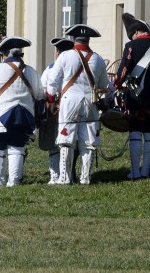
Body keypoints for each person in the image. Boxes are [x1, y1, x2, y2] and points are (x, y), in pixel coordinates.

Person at [45, 24, 108, 185]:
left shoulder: (65, 56)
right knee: (88, 141)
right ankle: (85, 177)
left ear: (74, 39)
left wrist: (51, 100)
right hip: (90, 102)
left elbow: (53, 81)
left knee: (66, 139)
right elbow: (103, 84)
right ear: (88, 40)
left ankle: (65, 178)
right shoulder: (98, 59)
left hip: (69, 102)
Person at [0, 36, 43, 188]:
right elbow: (40, 95)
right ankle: (13, 182)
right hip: (24, 115)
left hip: (0, 114)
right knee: (17, 147)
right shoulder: (32, 71)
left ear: (4, 54)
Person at [114, 13, 150, 180]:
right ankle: (146, 171)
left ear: (136, 32)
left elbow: (123, 72)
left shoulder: (131, 46)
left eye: (132, 34)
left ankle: (135, 172)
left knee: (136, 131)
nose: (132, 37)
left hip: (135, 97)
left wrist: (117, 85)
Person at [40, 37, 73, 185]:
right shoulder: (75, 67)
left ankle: (55, 177)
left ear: (58, 51)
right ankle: (69, 175)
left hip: (54, 109)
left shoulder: (51, 68)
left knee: (54, 144)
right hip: (70, 108)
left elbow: (43, 89)